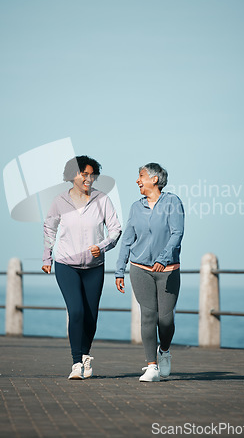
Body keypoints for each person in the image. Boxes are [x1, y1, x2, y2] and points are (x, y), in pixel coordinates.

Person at [42, 155, 121, 380]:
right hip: (66, 264)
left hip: (94, 266)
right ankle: (77, 363)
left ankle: (85, 355)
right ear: (72, 176)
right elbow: (49, 230)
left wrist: (103, 246)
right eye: (83, 174)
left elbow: (115, 230)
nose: (88, 178)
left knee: (91, 316)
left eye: (92, 174)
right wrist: (47, 258)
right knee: (76, 311)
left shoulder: (102, 200)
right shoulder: (59, 201)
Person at [115, 163, 184, 382]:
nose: (137, 180)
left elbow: (177, 233)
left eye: (141, 176)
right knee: (147, 315)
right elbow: (127, 240)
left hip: (168, 270)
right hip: (140, 268)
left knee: (165, 320)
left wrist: (163, 258)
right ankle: (151, 366)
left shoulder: (173, 202)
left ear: (154, 179)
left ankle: (164, 351)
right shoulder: (136, 207)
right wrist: (119, 270)